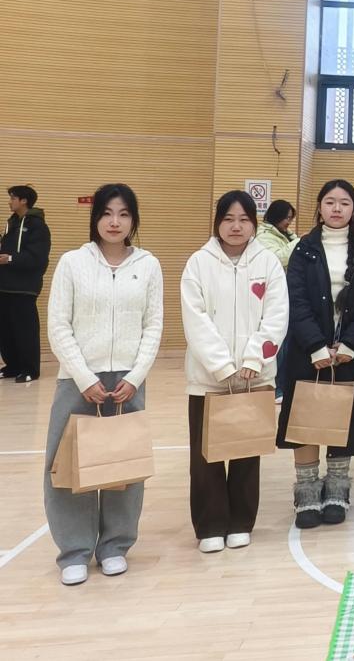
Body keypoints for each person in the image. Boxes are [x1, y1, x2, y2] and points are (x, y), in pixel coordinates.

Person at [44, 184, 163, 586]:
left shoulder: (148, 265)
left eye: (124, 214)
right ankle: (74, 551)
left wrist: (135, 377)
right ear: (95, 217)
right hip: (79, 380)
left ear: (133, 220)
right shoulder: (72, 263)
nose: (115, 222)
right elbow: (59, 325)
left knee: (124, 466)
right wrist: (83, 376)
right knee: (67, 468)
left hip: (128, 382)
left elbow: (153, 326)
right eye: (107, 213)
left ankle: (115, 546)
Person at [180, 191, 288, 553]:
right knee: (205, 456)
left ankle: (241, 521)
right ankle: (210, 525)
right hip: (208, 379)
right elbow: (195, 320)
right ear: (217, 222)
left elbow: (276, 316)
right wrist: (222, 366)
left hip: (255, 377)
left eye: (244, 219)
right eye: (228, 219)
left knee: (246, 451)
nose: (236, 226)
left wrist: (253, 360)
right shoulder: (199, 263)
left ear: (254, 224)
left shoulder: (268, 263)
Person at [276, 179, 354, 529]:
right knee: (304, 420)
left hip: (350, 352)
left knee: (343, 418)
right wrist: (316, 346)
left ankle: (337, 488)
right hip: (308, 351)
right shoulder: (303, 248)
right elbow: (296, 300)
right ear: (319, 207)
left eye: (344, 203)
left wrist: (349, 345)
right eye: (330, 202)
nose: (337, 208)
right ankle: (306, 491)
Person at [0, 184, 51, 382]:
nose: (9, 202)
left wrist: (11, 259)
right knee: (5, 329)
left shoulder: (38, 226)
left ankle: (30, 369)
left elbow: (38, 257)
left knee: (25, 330)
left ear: (24, 201)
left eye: (13, 198)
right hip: (4, 286)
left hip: (24, 288)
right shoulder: (11, 224)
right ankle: (13, 366)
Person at [257, 199, 299, 268]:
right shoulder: (263, 236)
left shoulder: (285, 233)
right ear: (277, 216)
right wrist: (299, 241)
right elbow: (278, 258)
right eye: (288, 218)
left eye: (291, 218)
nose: (290, 222)